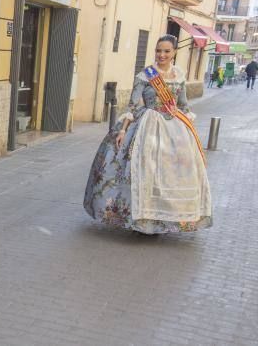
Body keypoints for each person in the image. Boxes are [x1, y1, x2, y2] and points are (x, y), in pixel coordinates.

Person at [84, 34, 212, 234]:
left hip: (175, 130)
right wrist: (124, 129)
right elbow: (133, 106)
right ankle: (142, 220)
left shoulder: (179, 75)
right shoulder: (146, 74)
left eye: (166, 51)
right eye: (158, 50)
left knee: (171, 176)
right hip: (147, 128)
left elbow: (184, 105)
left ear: (174, 52)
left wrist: (190, 129)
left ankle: (164, 219)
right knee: (145, 173)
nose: (162, 54)